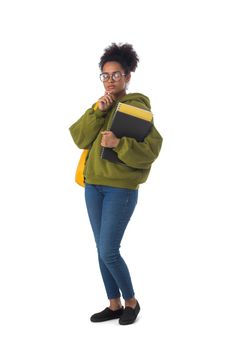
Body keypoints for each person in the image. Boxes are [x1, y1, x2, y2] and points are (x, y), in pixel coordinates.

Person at [69, 43, 163, 325]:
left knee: (109, 249)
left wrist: (119, 143)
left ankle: (131, 302)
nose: (110, 80)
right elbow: (79, 139)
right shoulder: (101, 105)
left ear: (128, 76)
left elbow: (153, 150)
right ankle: (113, 304)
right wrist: (97, 111)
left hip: (120, 189)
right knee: (101, 248)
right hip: (93, 186)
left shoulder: (136, 108)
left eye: (116, 74)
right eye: (105, 75)